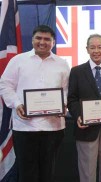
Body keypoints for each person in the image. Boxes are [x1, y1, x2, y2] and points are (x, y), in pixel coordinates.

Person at [0, 25, 70, 182]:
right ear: (32, 40)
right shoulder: (18, 60)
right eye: (38, 38)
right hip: (24, 127)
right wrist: (17, 104)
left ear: (53, 42)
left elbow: (66, 90)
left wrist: (63, 104)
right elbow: (5, 85)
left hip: (53, 128)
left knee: (48, 172)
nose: (42, 42)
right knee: (27, 172)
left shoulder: (62, 63)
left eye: (47, 39)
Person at [67, 34, 101, 182]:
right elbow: (72, 99)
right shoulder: (76, 71)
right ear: (87, 49)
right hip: (86, 129)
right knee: (87, 172)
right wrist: (78, 116)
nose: (96, 50)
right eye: (92, 47)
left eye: (99, 47)